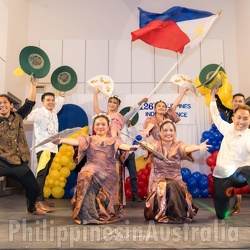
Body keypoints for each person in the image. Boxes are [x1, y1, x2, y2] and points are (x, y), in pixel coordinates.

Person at [52, 113, 140, 224]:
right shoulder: (88, 138)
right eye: (97, 124)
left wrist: (130, 147)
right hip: (92, 167)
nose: (100, 126)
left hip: (109, 172)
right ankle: (87, 215)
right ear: (94, 127)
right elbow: (77, 142)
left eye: (103, 124)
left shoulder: (114, 139)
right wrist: (61, 140)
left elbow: (122, 146)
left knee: (89, 175)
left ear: (108, 126)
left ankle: (101, 212)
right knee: (85, 175)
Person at [142, 119, 210, 223]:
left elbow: (186, 148)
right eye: (165, 130)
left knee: (172, 185)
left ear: (175, 132)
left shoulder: (179, 144)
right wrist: (145, 145)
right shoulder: (155, 143)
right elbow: (150, 147)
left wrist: (198, 147)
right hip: (159, 181)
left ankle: (175, 212)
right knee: (165, 185)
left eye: (171, 130)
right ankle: (163, 213)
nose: (168, 133)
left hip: (177, 181)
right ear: (160, 133)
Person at [0, 75, 45, 215]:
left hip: (19, 162)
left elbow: (30, 102)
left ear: (11, 105)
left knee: (34, 188)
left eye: (4, 102)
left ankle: (31, 208)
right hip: (2, 161)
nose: (2, 105)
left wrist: (33, 84)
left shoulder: (18, 116)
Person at [210, 87, 250, 219]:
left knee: (247, 170)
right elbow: (215, 115)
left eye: (245, 118)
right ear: (233, 118)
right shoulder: (226, 128)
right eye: (239, 118)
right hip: (222, 175)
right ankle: (233, 200)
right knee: (222, 215)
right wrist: (212, 95)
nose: (242, 122)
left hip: (241, 175)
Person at [27, 91, 65, 212]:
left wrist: (62, 94)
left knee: (45, 174)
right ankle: (37, 201)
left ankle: (40, 198)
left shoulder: (53, 111)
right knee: (41, 175)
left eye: (52, 100)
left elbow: (60, 101)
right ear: (42, 102)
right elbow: (28, 117)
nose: (51, 102)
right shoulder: (39, 112)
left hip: (52, 148)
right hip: (44, 149)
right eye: (48, 100)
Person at [120, 120, 142, 202]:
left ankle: (135, 196)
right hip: (120, 153)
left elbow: (135, 139)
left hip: (130, 154)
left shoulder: (133, 129)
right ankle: (120, 197)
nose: (128, 120)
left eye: (130, 118)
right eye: (127, 117)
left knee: (133, 175)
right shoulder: (119, 128)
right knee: (119, 176)